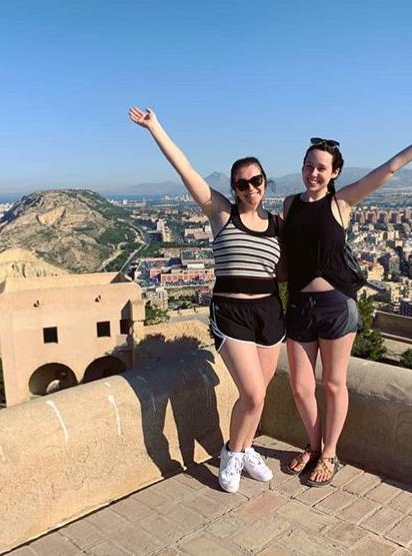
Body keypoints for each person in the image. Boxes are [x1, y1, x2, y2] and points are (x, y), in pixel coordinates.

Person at [282, 123, 412, 486]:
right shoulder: (290, 203)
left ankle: (330, 453)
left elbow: (389, 169)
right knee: (299, 385)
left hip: (336, 305)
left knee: (333, 384)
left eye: (321, 168)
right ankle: (312, 445)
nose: (313, 172)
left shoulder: (341, 203)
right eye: (309, 165)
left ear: (334, 173)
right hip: (298, 305)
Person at [128, 107, 285, 493]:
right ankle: (232, 452)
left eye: (256, 180)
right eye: (242, 183)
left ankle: (245, 447)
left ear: (266, 182)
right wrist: (155, 127)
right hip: (231, 312)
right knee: (253, 392)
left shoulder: (280, 225)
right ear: (233, 188)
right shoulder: (221, 214)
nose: (250, 188)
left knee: (260, 396)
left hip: (270, 311)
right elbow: (187, 171)